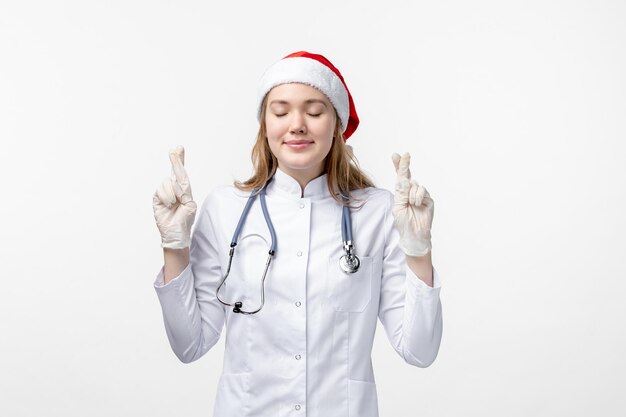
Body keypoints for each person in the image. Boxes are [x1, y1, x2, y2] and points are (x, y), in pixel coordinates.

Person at [152, 51, 443, 417]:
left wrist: (419, 252)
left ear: (336, 124)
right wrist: (174, 248)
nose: (297, 124)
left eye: (314, 111)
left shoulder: (378, 212)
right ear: (264, 125)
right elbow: (189, 345)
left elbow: (420, 350)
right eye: (280, 111)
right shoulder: (225, 209)